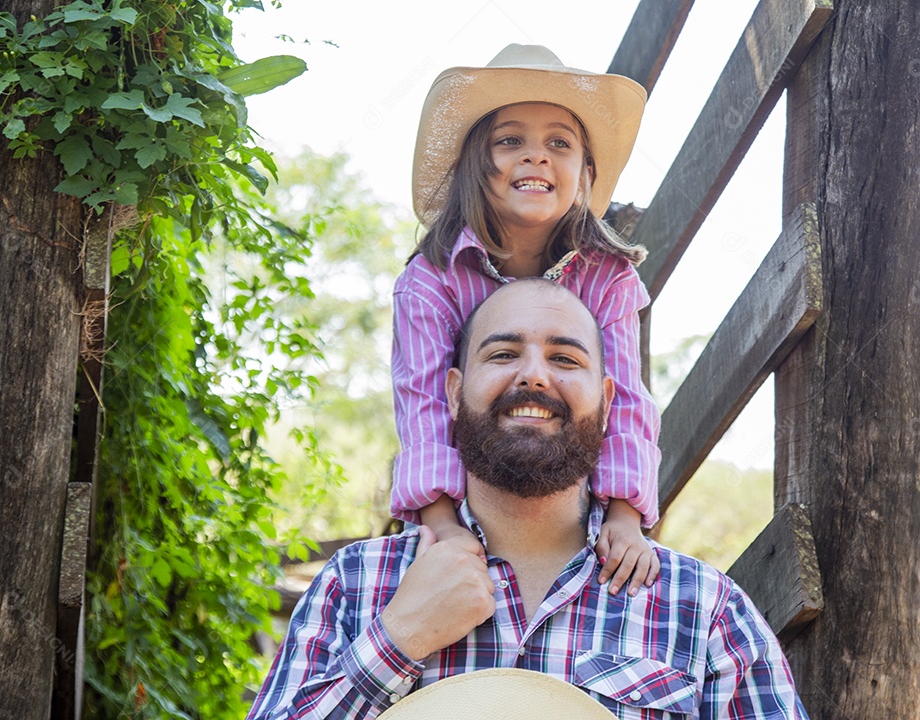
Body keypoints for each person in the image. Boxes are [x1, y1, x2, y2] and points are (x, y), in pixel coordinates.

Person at [246, 280, 809, 719]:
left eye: (565, 359)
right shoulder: (357, 584)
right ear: (452, 391)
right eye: (502, 354)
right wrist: (397, 639)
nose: (534, 376)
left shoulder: (704, 609)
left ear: (608, 401)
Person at [393, 43, 661, 598]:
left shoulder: (607, 276)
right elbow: (420, 399)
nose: (536, 157)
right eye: (510, 140)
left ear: (584, 172)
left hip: (569, 494)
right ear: (475, 164)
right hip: (468, 491)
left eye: (558, 143)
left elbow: (627, 400)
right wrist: (441, 523)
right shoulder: (433, 278)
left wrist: (625, 516)